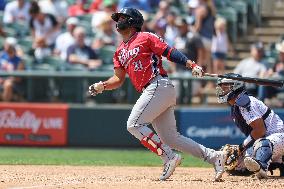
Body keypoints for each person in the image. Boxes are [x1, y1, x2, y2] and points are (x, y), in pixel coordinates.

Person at [88, 7, 226, 181]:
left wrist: (191, 64)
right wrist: (102, 85)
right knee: (171, 138)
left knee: (134, 124)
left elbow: (169, 51)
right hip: (154, 91)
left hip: (158, 85)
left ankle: (168, 157)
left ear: (132, 21)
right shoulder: (119, 51)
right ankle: (215, 157)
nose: (118, 21)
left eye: (122, 18)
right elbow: (118, 78)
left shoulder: (145, 36)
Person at [215, 73, 284, 179]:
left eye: (226, 86)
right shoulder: (235, 107)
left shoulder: (245, 102)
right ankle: (277, 163)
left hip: (279, 137)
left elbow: (260, 131)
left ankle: (262, 168)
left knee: (261, 144)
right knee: (235, 164)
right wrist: (240, 152)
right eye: (221, 87)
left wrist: (241, 147)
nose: (222, 90)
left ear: (235, 87)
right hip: (268, 142)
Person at [0, 37, 25, 101]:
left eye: (8, 45)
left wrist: (5, 80)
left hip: (14, 83)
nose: (6, 46)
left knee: (8, 84)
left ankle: (5, 108)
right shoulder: (1, 56)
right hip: (2, 80)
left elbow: (18, 79)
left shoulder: (19, 61)